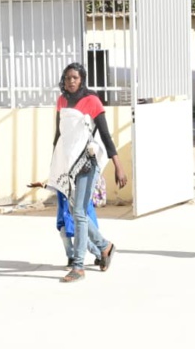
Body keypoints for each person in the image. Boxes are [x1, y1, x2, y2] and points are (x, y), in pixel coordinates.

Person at [28, 62, 128, 283]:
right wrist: (55, 165)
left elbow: (105, 134)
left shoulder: (92, 101)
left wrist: (118, 165)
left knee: (80, 212)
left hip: (87, 163)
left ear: (82, 79)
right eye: (67, 78)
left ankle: (78, 266)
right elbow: (60, 135)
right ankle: (105, 247)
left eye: (75, 77)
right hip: (68, 164)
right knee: (76, 213)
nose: (71, 81)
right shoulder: (62, 101)